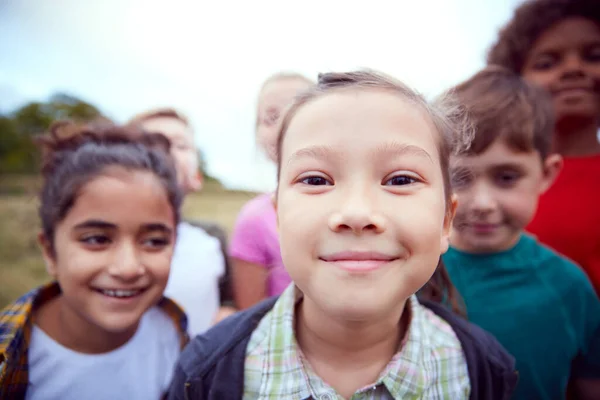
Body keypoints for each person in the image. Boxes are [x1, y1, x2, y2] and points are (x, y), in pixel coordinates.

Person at [168, 70, 518, 400]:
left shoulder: (482, 369)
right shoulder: (204, 373)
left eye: (400, 180)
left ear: (446, 221)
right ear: (278, 218)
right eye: (316, 180)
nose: (356, 213)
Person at [442, 66, 600, 400]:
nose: (482, 203)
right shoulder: (412, 274)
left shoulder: (569, 287)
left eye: (506, 177)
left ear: (546, 174)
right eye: (461, 178)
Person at [0, 121, 188, 399]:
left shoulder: (174, 335)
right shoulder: (12, 360)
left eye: (154, 241)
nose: (127, 268)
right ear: (50, 252)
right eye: (97, 239)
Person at [487, 0, 600, 294]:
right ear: (514, 81)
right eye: (546, 63)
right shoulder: (485, 183)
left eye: (594, 56)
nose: (573, 68)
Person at [129, 108, 236, 334]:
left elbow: (229, 298)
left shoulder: (212, 238)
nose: (167, 152)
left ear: (197, 177)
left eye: (181, 145)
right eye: (153, 143)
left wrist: (227, 311)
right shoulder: (103, 244)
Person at [229, 72, 314, 309]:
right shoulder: (253, 219)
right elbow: (250, 317)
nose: (286, 125)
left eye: (298, 111)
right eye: (271, 117)